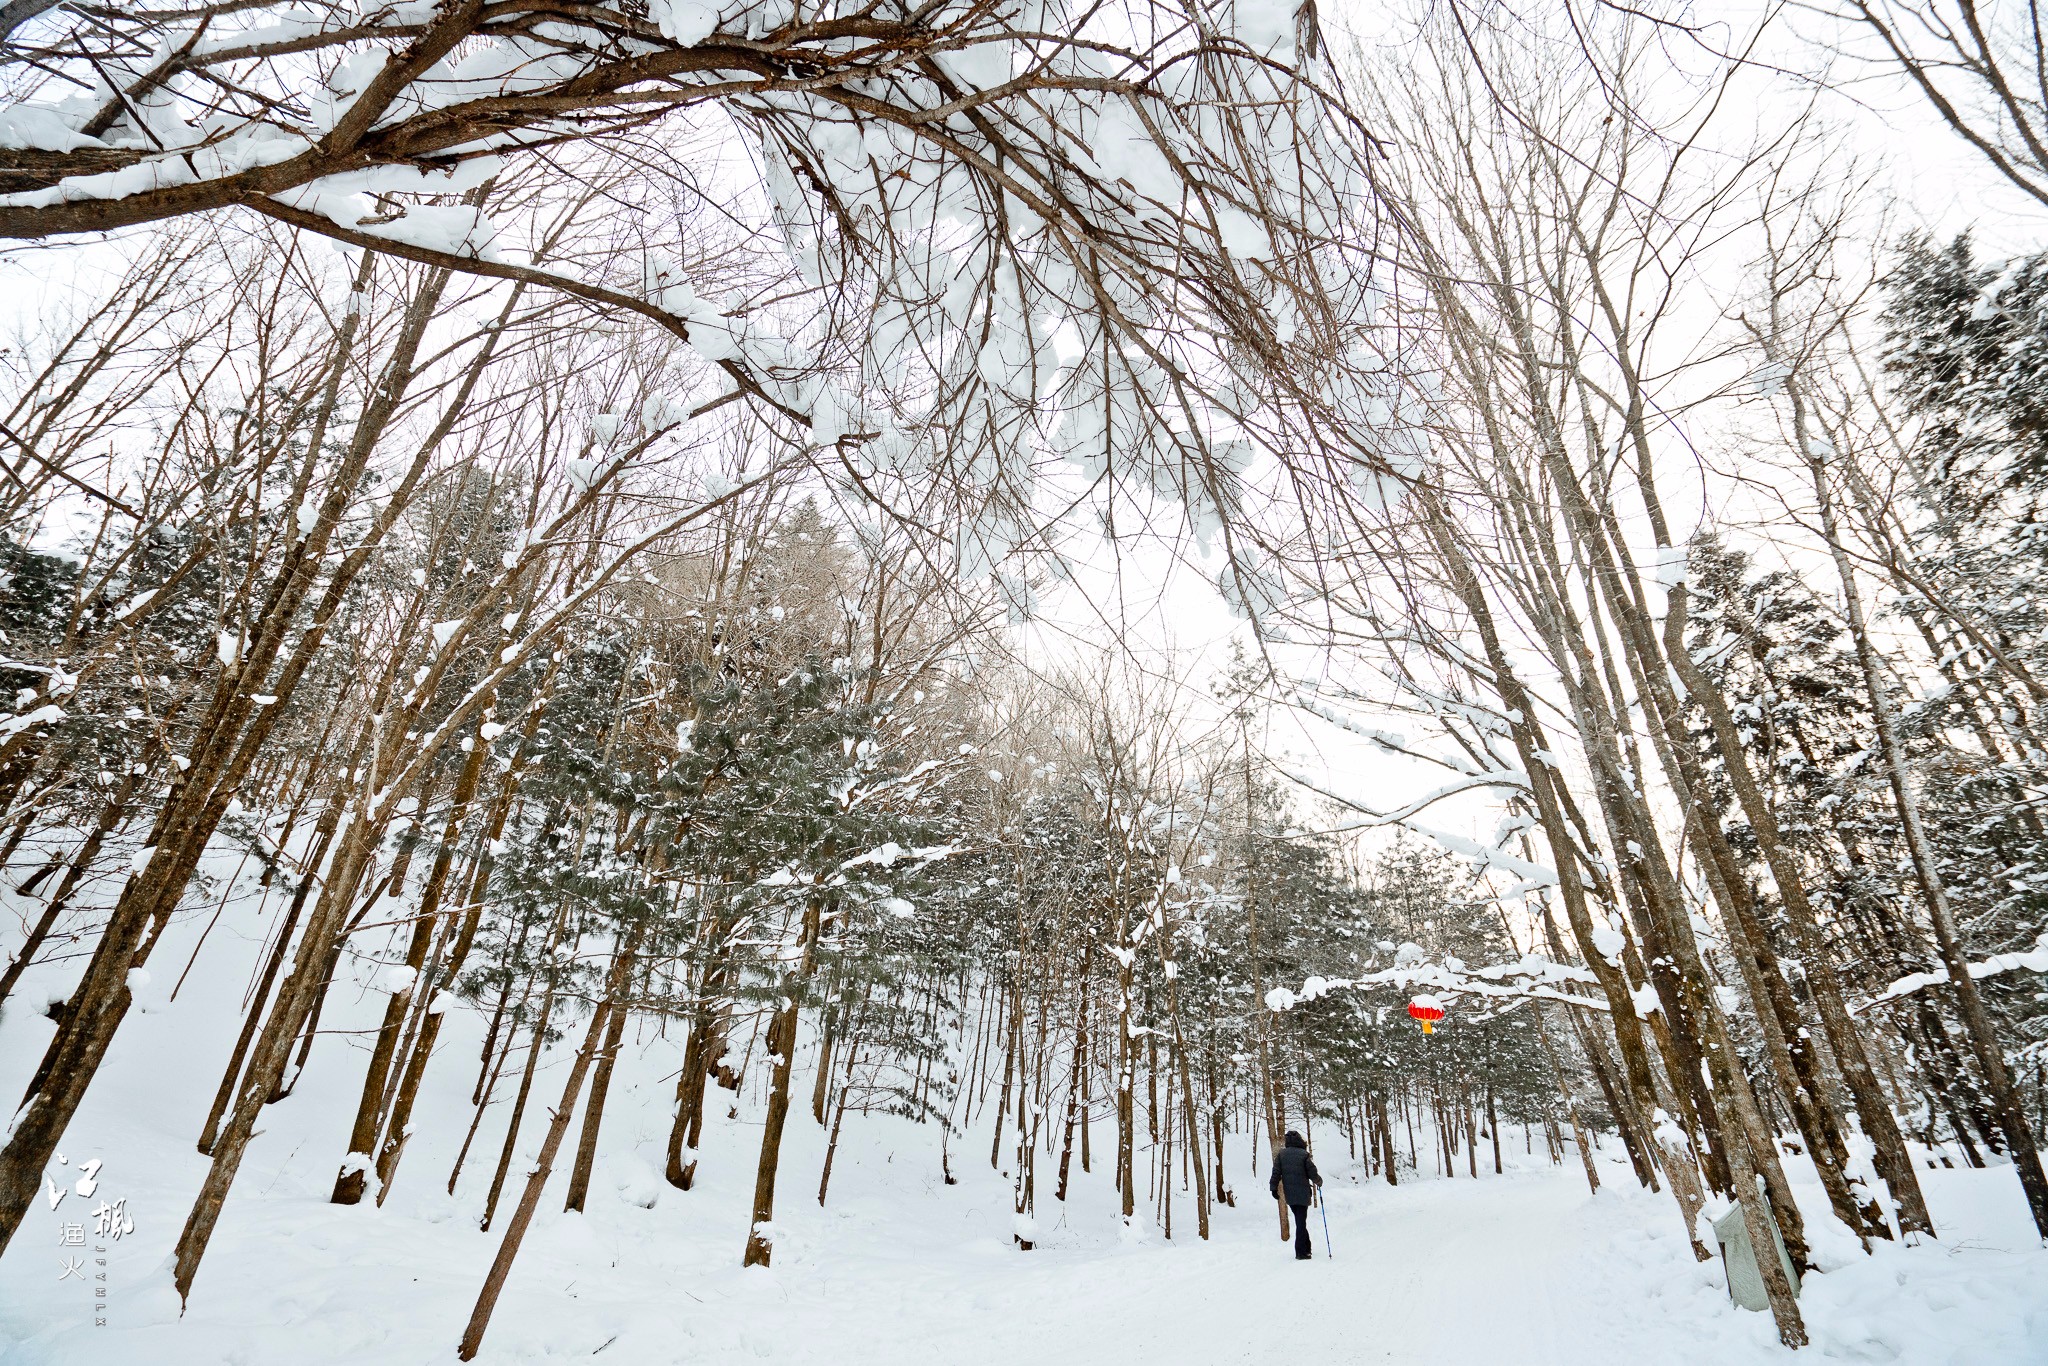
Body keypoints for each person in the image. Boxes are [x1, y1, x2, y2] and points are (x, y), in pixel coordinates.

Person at [1268, 1129, 1323, 1260]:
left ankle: (1307, 1247)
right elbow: (1312, 1173)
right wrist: (1319, 1181)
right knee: (1301, 1221)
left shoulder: (1282, 1155)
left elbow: (1276, 1173)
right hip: (1303, 1193)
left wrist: (1273, 1188)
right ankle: (1301, 1252)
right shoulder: (1304, 1154)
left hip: (1290, 1194)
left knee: (1300, 1221)